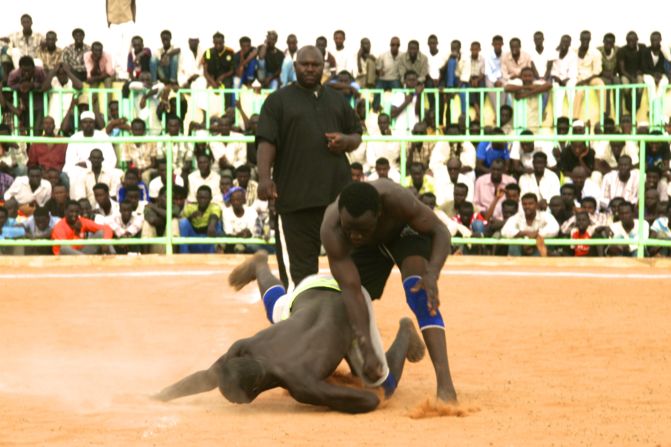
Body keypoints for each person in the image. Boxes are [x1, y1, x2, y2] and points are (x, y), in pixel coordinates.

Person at [154, 251, 425, 413]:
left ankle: (404, 332)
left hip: (354, 308)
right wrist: (161, 395)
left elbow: (368, 400)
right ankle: (260, 265)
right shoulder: (246, 346)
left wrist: (327, 390)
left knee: (381, 388)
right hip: (309, 289)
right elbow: (208, 377)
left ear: (255, 392)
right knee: (278, 312)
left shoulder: (301, 384)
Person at [320, 180, 457, 402]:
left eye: (362, 229)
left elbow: (440, 230)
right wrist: (367, 347)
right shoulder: (331, 228)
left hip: (405, 233)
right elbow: (351, 290)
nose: (354, 236)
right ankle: (405, 333)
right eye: (349, 230)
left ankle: (446, 385)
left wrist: (432, 273)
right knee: (344, 307)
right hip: (369, 250)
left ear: (380, 213)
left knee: (420, 293)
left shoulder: (398, 200)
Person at [255, 45, 362, 289]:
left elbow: (356, 133)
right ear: (295, 67)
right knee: (299, 278)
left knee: (347, 266)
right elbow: (266, 141)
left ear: (323, 67)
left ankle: (345, 320)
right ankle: (296, 322)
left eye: (316, 65)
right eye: (305, 64)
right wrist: (264, 178)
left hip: (336, 202)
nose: (310, 69)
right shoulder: (278, 101)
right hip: (295, 201)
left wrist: (346, 141)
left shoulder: (337, 99)